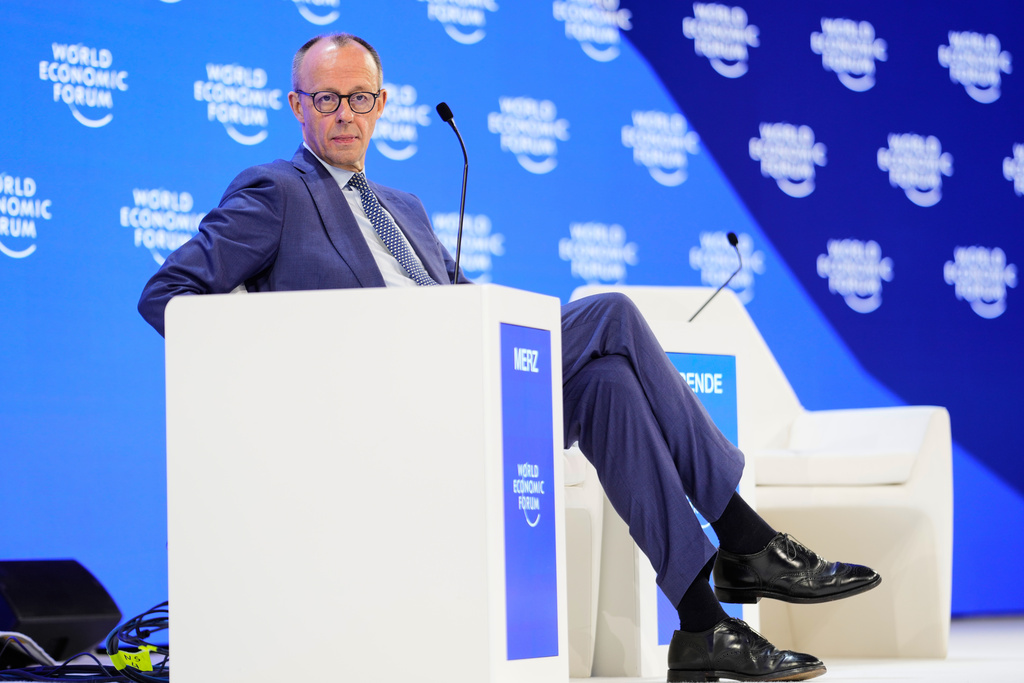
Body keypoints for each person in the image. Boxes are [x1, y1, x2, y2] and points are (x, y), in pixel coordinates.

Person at [139, 33, 881, 682]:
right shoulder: (274, 191)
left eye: (359, 98)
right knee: (613, 314)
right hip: (374, 397)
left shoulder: (406, 208)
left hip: (456, 377)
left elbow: (458, 302)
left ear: (382, 105)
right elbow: (167, 294)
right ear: (295, 106)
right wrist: (295, 367)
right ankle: (746, 536)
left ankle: (699, 625)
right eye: (326, 98)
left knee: (608, 384)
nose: (344, 114)